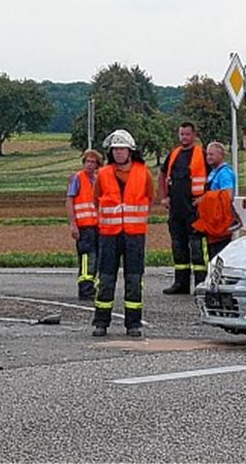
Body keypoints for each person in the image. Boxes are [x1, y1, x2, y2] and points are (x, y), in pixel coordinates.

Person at [92, 129, 154, 338]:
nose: (118, 152)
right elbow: (96, 199)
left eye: (122, 149)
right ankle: (101, 322)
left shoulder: (143, 173)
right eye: (115, 149)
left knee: (134, 280)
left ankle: (133, 323)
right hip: (109, 234)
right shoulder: (103, 174)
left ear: (130, 151)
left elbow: (149, 198)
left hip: (134, 235)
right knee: (106, 279)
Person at [158, 122, 207, 294]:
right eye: (181, 134)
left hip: (194, 211)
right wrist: (164, 196)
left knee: (197, 249)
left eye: (187, 134)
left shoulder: (202, 154)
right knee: (178, 247)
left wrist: (204, 198)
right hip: (176, 209)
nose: (184, 137)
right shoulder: (174, 154)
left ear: (194, 135)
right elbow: (162, 174)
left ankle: (201, 284)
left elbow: (212, 177)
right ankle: (181, 283)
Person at [66, 149, 103, 300]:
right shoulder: (77, 178)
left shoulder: (99, 179)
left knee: (99, 258)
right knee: (88, 258)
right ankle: (85, 289)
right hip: (84, 226)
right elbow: (69, 201)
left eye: (93, 162)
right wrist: (73, 225)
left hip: (99, 226)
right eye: (87, 161)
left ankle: (93, 287)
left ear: (97, 165)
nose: (89, 164)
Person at [193, 142, 240, 258]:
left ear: (221, 155)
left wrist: (204, 199)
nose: (208, 157)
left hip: (220, 223)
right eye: (207, 154)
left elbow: (228, 196)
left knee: (219, 254)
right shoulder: (213, 172)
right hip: (212, 222)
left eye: (212, 154)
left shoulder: (225, 173)